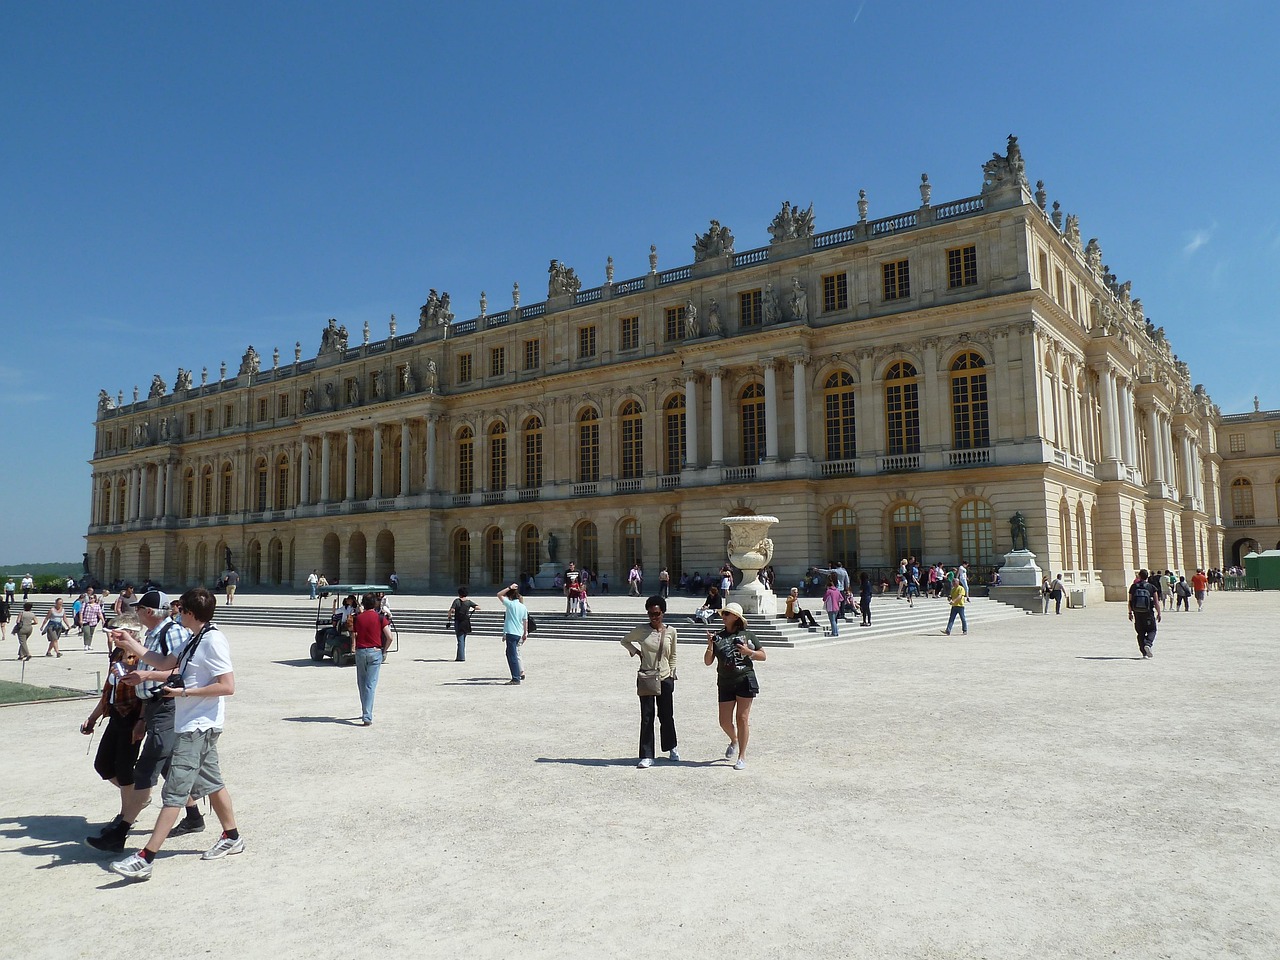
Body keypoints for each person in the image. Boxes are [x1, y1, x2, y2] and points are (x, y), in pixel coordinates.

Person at [109, 586, 245, 880]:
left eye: (180, 609)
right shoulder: (194, 638)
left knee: (174, 792)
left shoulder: (213, 641)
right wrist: (131, 643)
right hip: (193, 723)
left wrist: (185, 692)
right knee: (212, 783)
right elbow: (165, 664)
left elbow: (228, 686)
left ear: (190, 613)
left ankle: (146, 857)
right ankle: (232, 836)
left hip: (199, 726)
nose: (175, 613)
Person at [86, 590, 202, 853]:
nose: (136, 612)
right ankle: (195, 816)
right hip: (154, 707)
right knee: (168, 768)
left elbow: (181, 671)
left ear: (149, 612)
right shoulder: (155, 633)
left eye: (139, 609)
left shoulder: (171, 631)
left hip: (165, 705)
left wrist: (145, 676)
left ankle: (121, 832)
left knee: (147, 769)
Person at [81, 646, 144, 842]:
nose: (112, 636)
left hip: (132, 718)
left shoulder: (141, 656)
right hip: (115, 716)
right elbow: (108, 693)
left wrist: (142, 722)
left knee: (124, 769)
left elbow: (145, 696)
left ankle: (126, 816)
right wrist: (92, 719)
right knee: (103, 765)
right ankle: (137, 798)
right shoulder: (117, 655)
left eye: (118, 632)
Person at [704, 602, 765, 771]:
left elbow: (763, 655)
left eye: (727, 614)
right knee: (724, 722)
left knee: (742, 718)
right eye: (723, 614)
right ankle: (734, 740)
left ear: (736, 617)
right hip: (725, 682)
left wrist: (749, 652)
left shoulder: (748, 635)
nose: (723, 617)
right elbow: (708, 662)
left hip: (745, 679)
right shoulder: (719, 637)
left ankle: (742, 756)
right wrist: (710, 644)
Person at [620, 595, 679, 768]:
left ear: (663, 613)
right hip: (646, 676)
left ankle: (671, 747)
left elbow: (673, 654)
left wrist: (672, 674)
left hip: (665, 677)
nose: (654, 617)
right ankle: (647, 754)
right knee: (647, 716)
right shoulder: (642, 630)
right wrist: (636, 652)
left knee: (666, 715)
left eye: (657, 613)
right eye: (651, 614)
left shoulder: (671, 631)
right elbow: (624, 640)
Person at [351, 594, 393, 726]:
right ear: (375, 604)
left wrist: (353, 646)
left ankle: (365, 710)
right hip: (375, 651)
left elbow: (354, 633)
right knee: (370, 684)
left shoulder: (358, 618)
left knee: (362, 683)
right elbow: (390, 637)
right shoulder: (380, 618)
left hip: (361, 651)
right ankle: (367, 715)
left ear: (363, 604)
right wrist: (384, 650)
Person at [497, 583, 529, 684]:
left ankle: (516, 677)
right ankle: (518, 674)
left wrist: (509, 588)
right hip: (519, 633)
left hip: (511, 632)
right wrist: (525, 633)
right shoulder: (523, 607)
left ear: (510, 596)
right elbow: (525, 621)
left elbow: (499, 594)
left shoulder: (510, 605)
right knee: (511, 653)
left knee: (512, 655)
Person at [1128, 569, 1162, 660]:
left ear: (1139, 576)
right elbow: (1156, 602)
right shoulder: (1151, 587)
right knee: (1152, 630)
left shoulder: (1133, 587)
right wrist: (1159, 613)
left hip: (1137, 613)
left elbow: (1130, 601)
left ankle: (1144, 653)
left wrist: (1130, 612)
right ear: (1147, 577)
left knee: (1140, 633)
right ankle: (1148, 644)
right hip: (1148, 613)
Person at [446, 587, 478, 662]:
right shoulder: (469, 602)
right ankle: (459, 656)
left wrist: (449, 615)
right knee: (463, 639)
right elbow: (478, 607)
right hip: (466, 621)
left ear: (459, 594)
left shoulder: (456, 601)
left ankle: (461, 657)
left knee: (460, 639)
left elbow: (452, 610)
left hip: (459, 621)